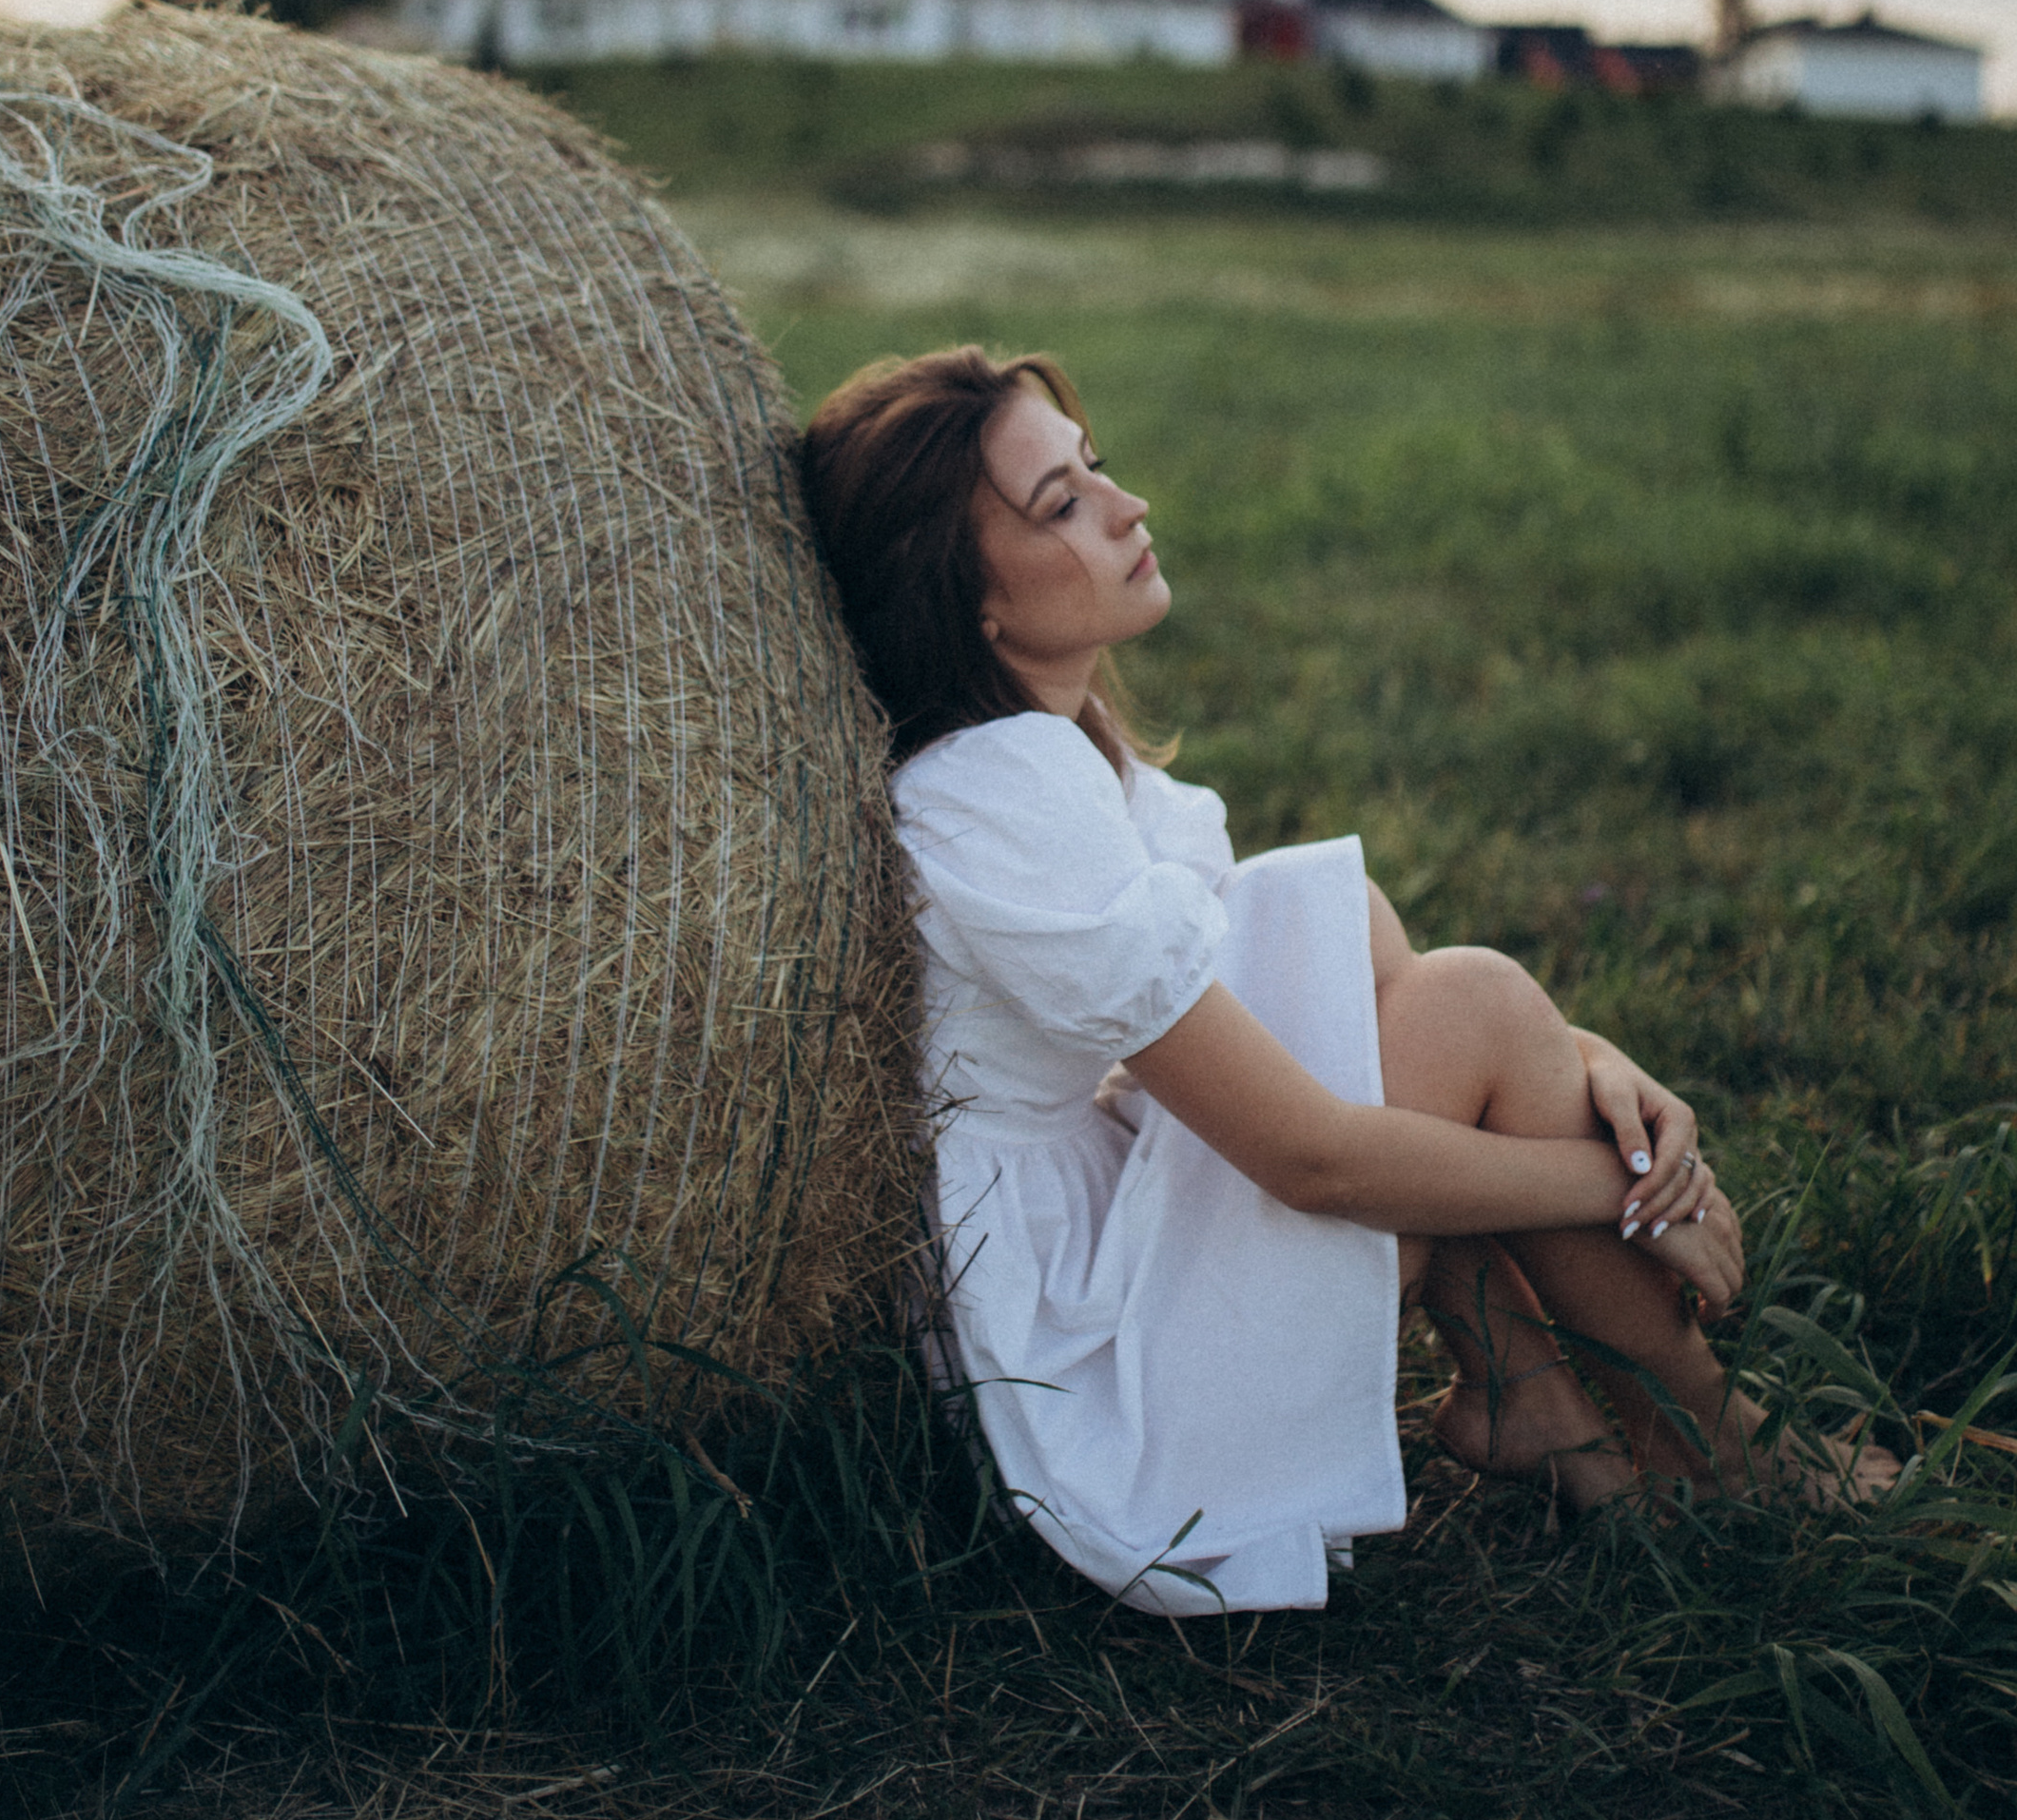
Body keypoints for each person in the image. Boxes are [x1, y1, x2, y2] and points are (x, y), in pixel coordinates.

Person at [802, 343, 1889, 1617]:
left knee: (1372, 951)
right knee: (1468, 1005)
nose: (1127, 506)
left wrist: (1598, 1066)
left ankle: (1532, 1397)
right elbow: (1309, 1159)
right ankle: (1712, 1441)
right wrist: (1628, 1188)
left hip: (1114, 1254)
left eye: (1095, 468)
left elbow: (1325, 1004)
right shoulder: (998, 790)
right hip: (1097, 1385)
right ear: (965, 595)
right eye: (1062, 505)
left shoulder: (1070, 759)